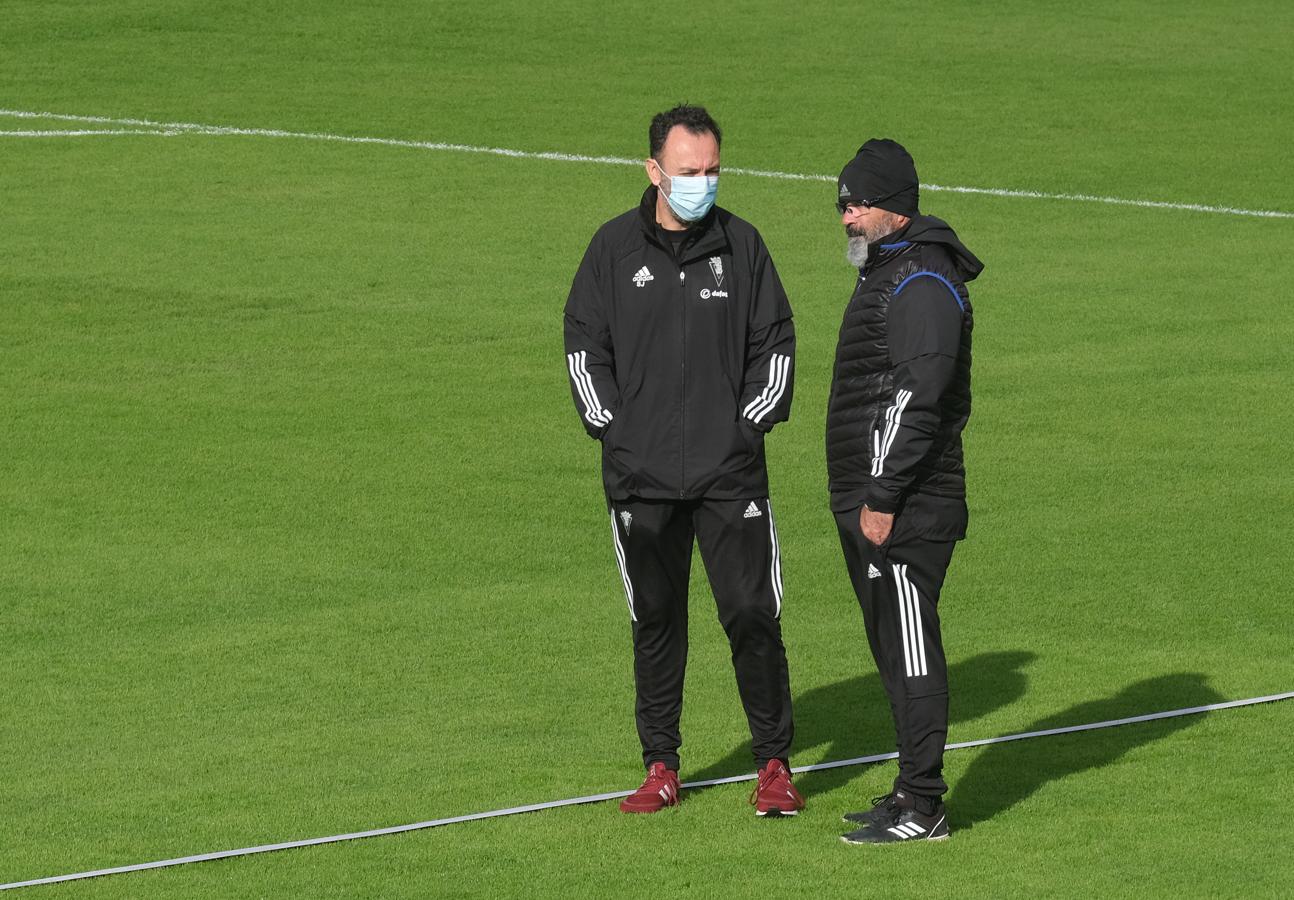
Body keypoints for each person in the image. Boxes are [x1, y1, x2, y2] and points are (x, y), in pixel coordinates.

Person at [563, 104, 803, 817]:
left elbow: (778, 347)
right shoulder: (611, 252)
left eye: (713, 171)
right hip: (641, 480)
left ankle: (773, 765)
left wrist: (746, 429)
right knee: (657, 622)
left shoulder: (744, 247)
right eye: (690, 171)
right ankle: (661, 766)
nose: (703, 183)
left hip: (730, 476)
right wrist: (615, 430)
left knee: (753, 615)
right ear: (654, 171)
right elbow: (583, 347)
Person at [825, 139, 984, 843]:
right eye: (841, 205)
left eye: (856, 204)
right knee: (892, 647)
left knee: (912, 646)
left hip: (908, 505)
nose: (847, 217)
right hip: (878, 499)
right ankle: (907, 788)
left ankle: (925, 808)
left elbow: (920, 398)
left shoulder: (921, 281)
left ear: (892, 207)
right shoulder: (892, 271)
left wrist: (883, 496)